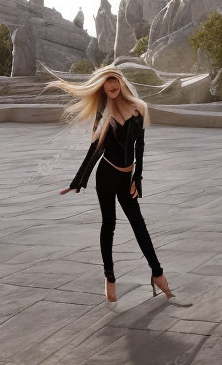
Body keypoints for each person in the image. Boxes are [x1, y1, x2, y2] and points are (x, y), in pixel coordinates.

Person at [44, 64, 190, 307]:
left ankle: (158, 274)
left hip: (127, 177)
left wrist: (138, 178)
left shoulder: (139, 109)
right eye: (106, 83)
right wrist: (78, 181)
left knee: (139, 225)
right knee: (108, 224)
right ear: (102, 87)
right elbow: (95, 149)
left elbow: (139, 148)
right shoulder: (103, 113)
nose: (111, 86)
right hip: (107, 175)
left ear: (121, 83)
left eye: (114, 82)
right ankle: (109, 277)